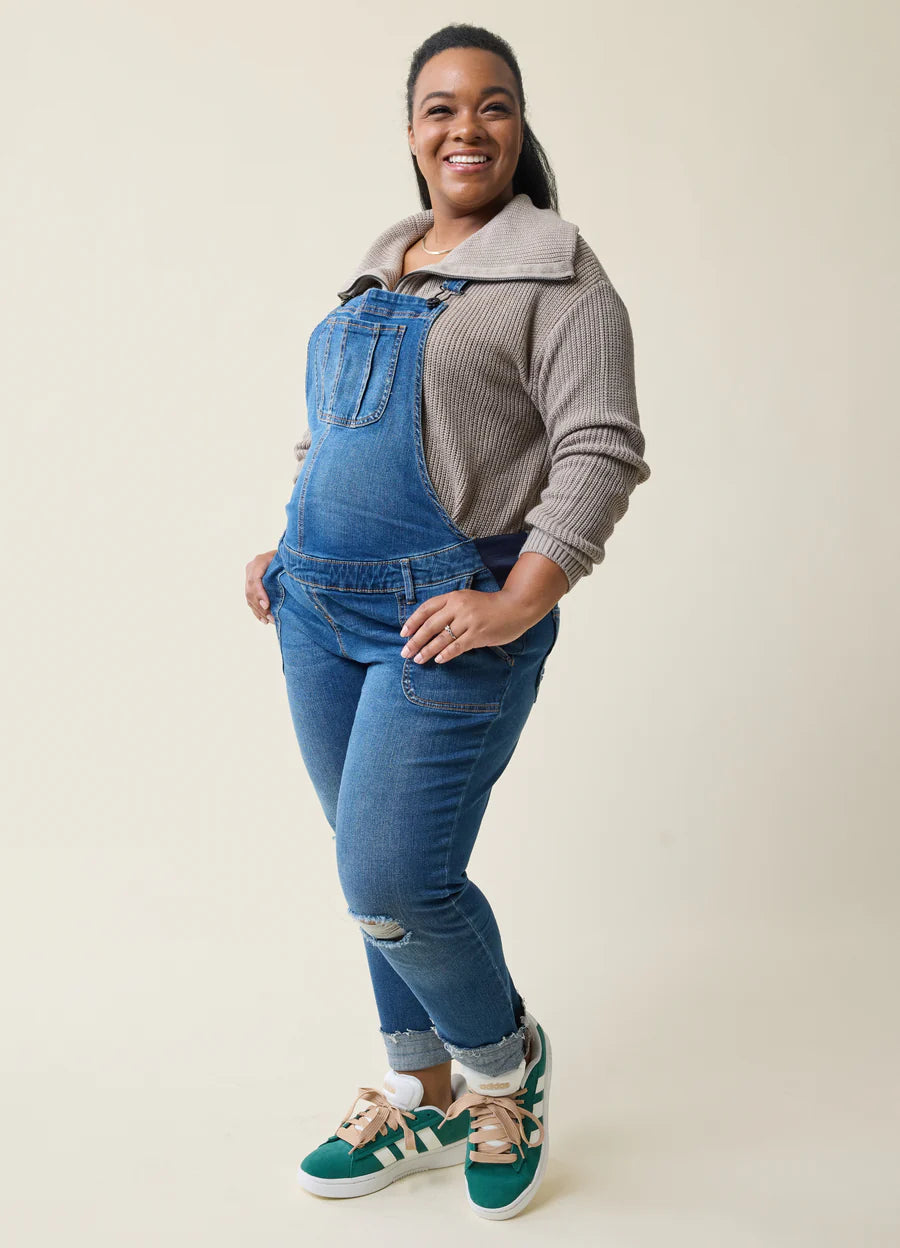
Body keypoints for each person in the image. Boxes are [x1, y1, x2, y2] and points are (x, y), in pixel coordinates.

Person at [244, 23, 651, 1221]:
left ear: (519, 127)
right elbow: (335, 436)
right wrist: (291, 538)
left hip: (444, 616)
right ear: (412, 132)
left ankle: (502, 1073)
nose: (466, 127)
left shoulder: (564, 279)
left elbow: (600, 447)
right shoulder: (379, 273)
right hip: (318, 613)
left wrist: (519, 598)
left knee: (392, 874)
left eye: (493, 105)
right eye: (440, 107)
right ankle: (418, 1090)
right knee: (368, 871)